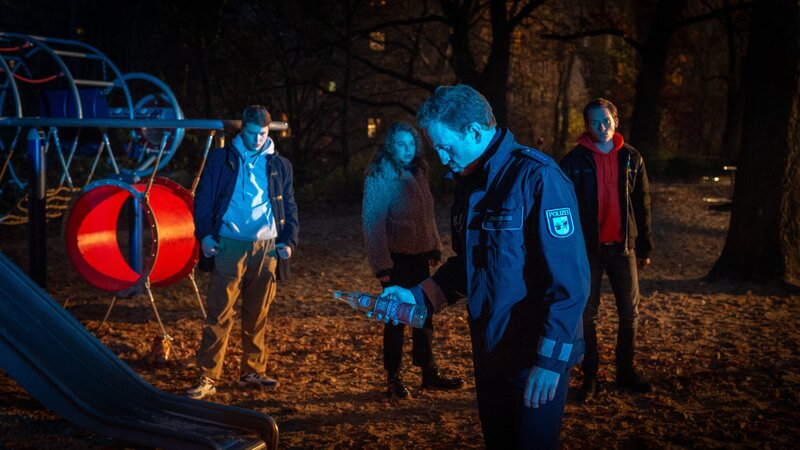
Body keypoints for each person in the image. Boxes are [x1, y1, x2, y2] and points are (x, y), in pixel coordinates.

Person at [382, 85, 590, 449]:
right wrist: (419, 296)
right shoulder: (467, 183)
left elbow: (570, 283)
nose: (443, 158)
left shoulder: (538, 178)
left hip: (533, 361)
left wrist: (550, 361)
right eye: (437, 149)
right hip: (491, 352)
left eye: (446, 146)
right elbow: (470, 266)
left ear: (475, 132)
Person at [187, 105, 299, 400]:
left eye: (262, 133)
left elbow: (288, 204)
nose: (258, 139)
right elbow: (204, 199)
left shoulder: (280, 165)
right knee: (219, 311)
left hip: (267, 246)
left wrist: (289, 240)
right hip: (229, 244)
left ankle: (253, 370)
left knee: (257, 313)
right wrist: (206, 235)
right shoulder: (221, 160)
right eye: (252, 133)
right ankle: (208, 375)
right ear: (242, 130)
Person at [559, 98, 653, 403]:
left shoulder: (632, 158)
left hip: (623, 248)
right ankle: (591, 376)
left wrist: (644, 245)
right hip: (588, 251)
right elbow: (563, 209)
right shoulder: (573, 161)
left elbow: (642, 204)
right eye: (595, 122)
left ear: (616, 121)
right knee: (588, 315)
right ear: (587, 125)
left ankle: (625, 371)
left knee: (630, 312)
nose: (602, 127)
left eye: (607, 121)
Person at [362, 122, 464, 398]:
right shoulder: (380, 176)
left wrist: (434, 246)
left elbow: (427, 215)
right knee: (395, 318)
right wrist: (381, 264)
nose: (406, 150)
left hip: (419, 255)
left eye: (410, 144)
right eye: (400, 144)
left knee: (424, 313)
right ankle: (392, 376)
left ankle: (428, 371)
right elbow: (373, 224)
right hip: (394, 260)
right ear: (390, 146)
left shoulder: (419, 171)